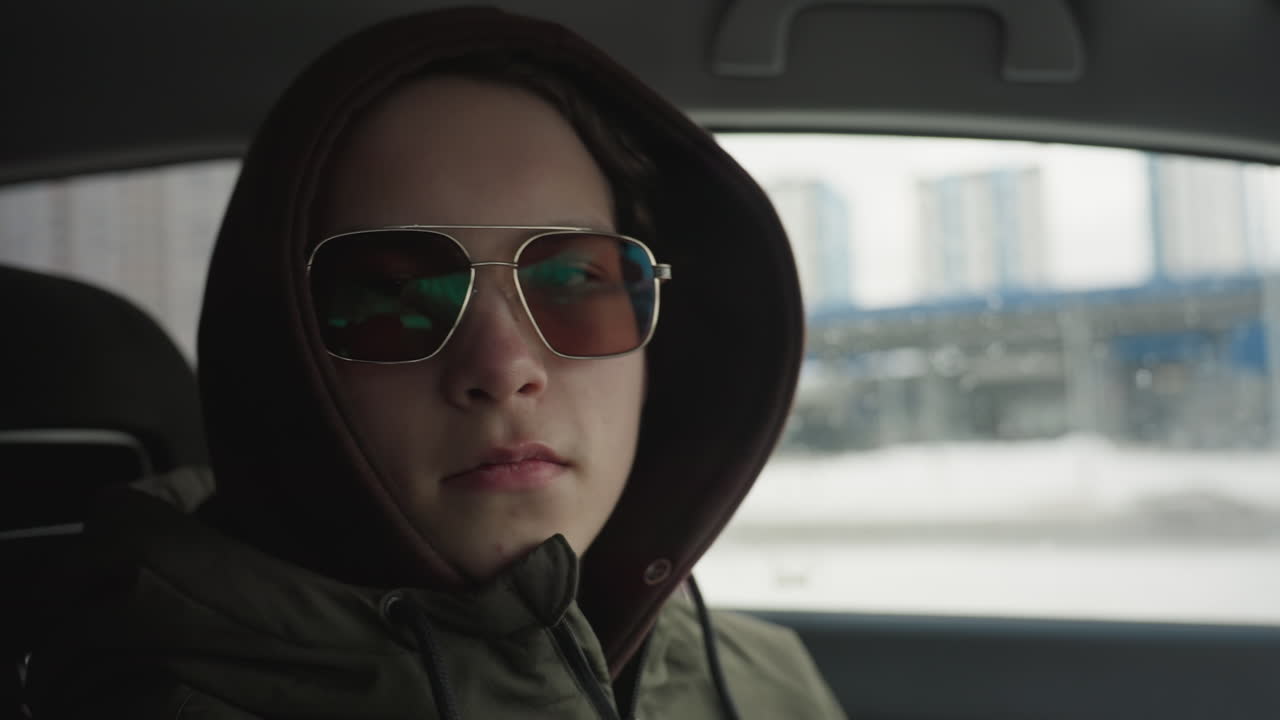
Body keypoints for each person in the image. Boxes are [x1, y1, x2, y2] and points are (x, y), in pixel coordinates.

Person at [27, 7, 845, 719]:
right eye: (391, 300)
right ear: (283, 366)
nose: (503, 366)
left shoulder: (764, 680)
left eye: (572, 280)